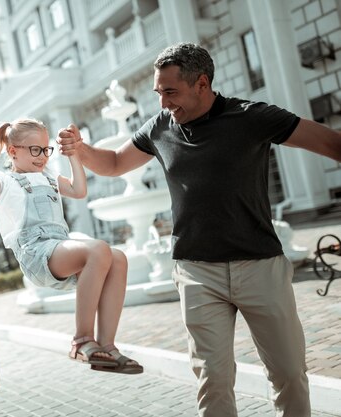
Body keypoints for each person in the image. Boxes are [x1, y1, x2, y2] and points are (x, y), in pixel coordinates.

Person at [58, 42, 341, 416]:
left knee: (288, 373)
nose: (163, 103)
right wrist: (81, 149)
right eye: (159, 93)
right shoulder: (160, 126)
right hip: (196, 271)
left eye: (171, 92)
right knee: (213, 377)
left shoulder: (252, 116)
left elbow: (329, 142)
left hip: (260, 266)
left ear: (202, 83)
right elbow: (112, 163)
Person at [0, 118, 143, 374]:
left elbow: (79, 190)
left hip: (59, 248)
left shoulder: (48, 176)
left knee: (118, 258)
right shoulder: (3, 180)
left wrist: (72, 154)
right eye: (34, 150)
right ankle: (82, 340)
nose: (41, 157)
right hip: (35, 253)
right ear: (13, 150)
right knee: (98, 248)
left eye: (45, 150)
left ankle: (107, 346)